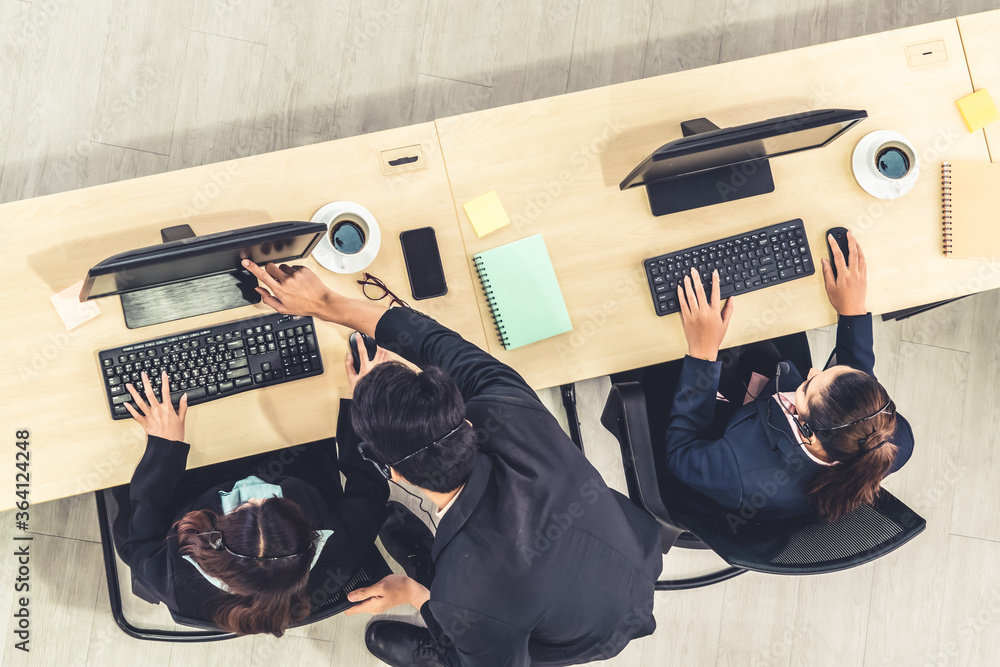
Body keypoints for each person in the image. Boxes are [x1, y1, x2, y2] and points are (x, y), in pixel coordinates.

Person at [241, 258, 664, 666]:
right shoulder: (513, 408)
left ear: (395, 474)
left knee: (457, 631)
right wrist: (325, 303)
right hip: (629, 548)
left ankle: (436, 638)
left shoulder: (470, 591)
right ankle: (429, 570)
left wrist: (415, 594)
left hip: (573, 633)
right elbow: (434, 342)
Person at [112, 361, 389, 637]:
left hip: (197, 476)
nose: (257, 493)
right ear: (312, 539)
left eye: (244, 507)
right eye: (271, 501)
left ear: (214, 544)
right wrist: (363, 406)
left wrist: (164, 449)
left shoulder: (176, 582)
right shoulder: (337, 557)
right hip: (292, 452)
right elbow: (370, 490)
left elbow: (136, 542)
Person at [660, 230, 914, 521]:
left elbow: (679, 455)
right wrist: (852, 312)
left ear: (806, 429)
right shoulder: (893, 440)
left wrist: (702, 354)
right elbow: (856, 396)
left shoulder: (740, 470)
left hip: (725, 428)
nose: (813, 371)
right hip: (768, 394)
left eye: (807, 387)